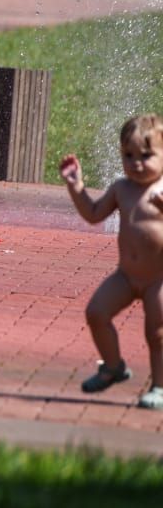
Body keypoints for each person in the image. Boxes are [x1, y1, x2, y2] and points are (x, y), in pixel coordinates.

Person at [60, 115, 163, 411]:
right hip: (127, 276)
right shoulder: (121, 188)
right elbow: (93, 214)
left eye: (146, 155)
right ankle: (114, 367)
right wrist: (76, 187)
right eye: (128, 156)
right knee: (96, 312)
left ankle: (159, 386)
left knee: (157, 332)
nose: (136, 163)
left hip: (159, 278)